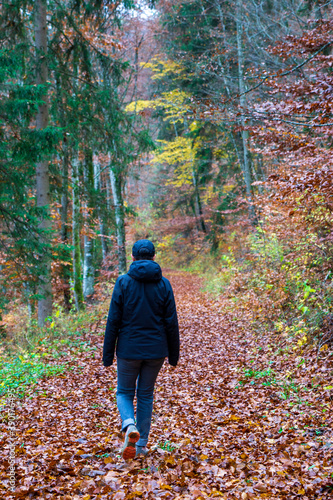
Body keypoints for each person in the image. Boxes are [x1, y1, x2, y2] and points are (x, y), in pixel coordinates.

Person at [103, 239, 179, 460]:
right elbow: (171, 322)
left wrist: (108, 355)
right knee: (145, 394)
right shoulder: (164, 284)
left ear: (133, 258)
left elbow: (113, 320)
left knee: (124, 392)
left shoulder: (123, 282)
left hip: (128, 349)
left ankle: (129, 425)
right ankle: (141, 444)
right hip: (156, 351)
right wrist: (173, 355)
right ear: (153, 257)